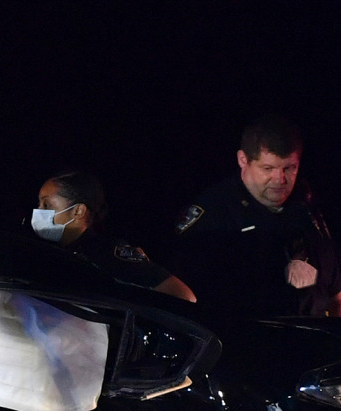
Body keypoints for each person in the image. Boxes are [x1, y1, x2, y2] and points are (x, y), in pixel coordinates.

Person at [173, 115, 341, 319]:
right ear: (243, 160)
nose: (280, 180)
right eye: (268, 168)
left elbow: (334, 287)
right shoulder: (214, 216)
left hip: (316, 337)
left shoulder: (305, 202)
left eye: (289, 168)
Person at [32, 171, 196, 302]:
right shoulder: (51, 251)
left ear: (78, 211)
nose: (39, 211)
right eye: (39, 204)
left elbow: (183, 295)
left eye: (47, 204)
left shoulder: (105, 254)